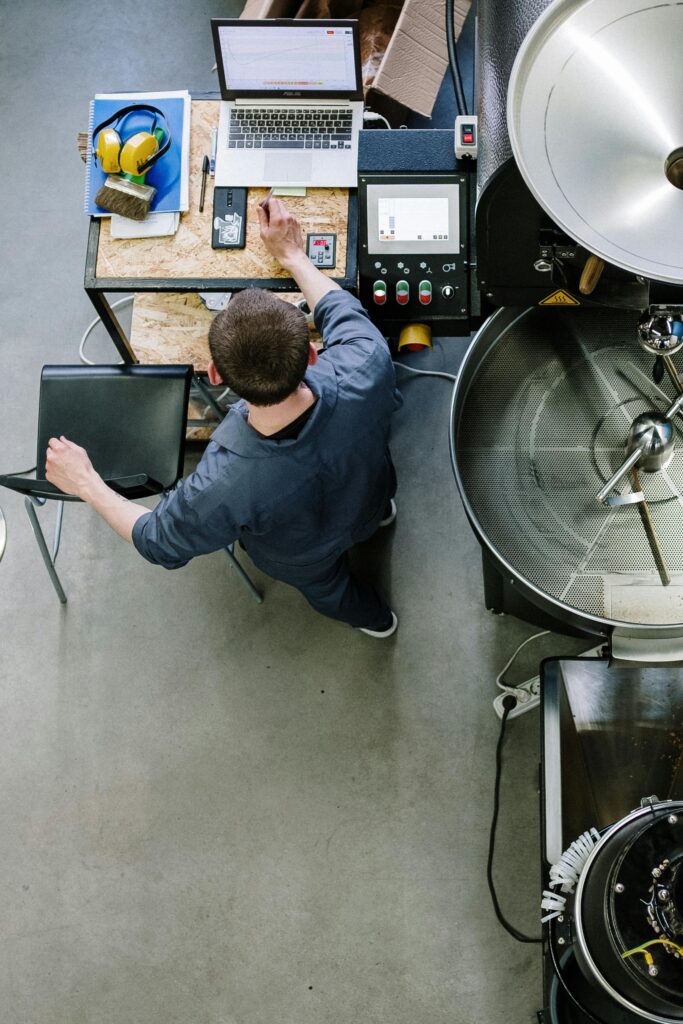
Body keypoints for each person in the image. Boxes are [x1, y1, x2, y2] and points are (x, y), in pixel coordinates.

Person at [45, 198, 402, 637]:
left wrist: (85, 482)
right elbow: (340, 310)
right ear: (311, 353)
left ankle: (378, 620)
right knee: (375, 509)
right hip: (370, 491)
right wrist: (292, 254)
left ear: (214, 374)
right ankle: (382, 517)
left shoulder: (222, 484)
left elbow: (156, 539)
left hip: (304, 555)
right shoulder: (366, 364)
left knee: (332, 590)